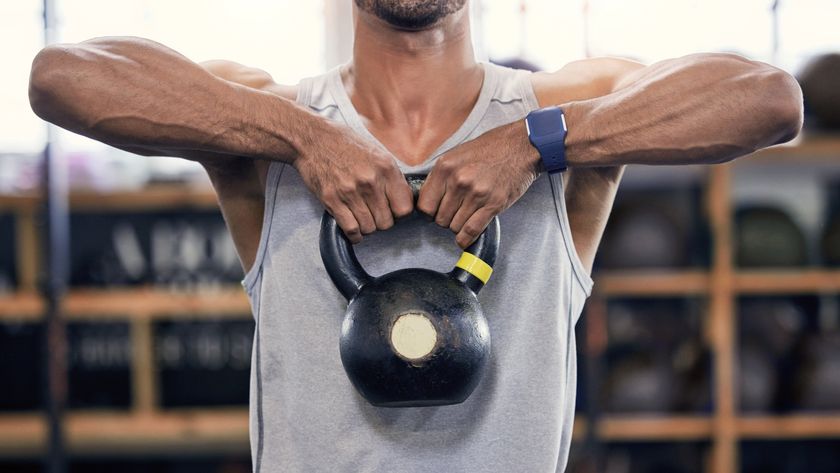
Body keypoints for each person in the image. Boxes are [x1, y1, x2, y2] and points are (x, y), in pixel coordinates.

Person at [28, 1, 802, 471]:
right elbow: (62, 76)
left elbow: (766, 98)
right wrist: (301, 137)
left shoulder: (564, 112)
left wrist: (537, 144)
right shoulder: (265, 123)